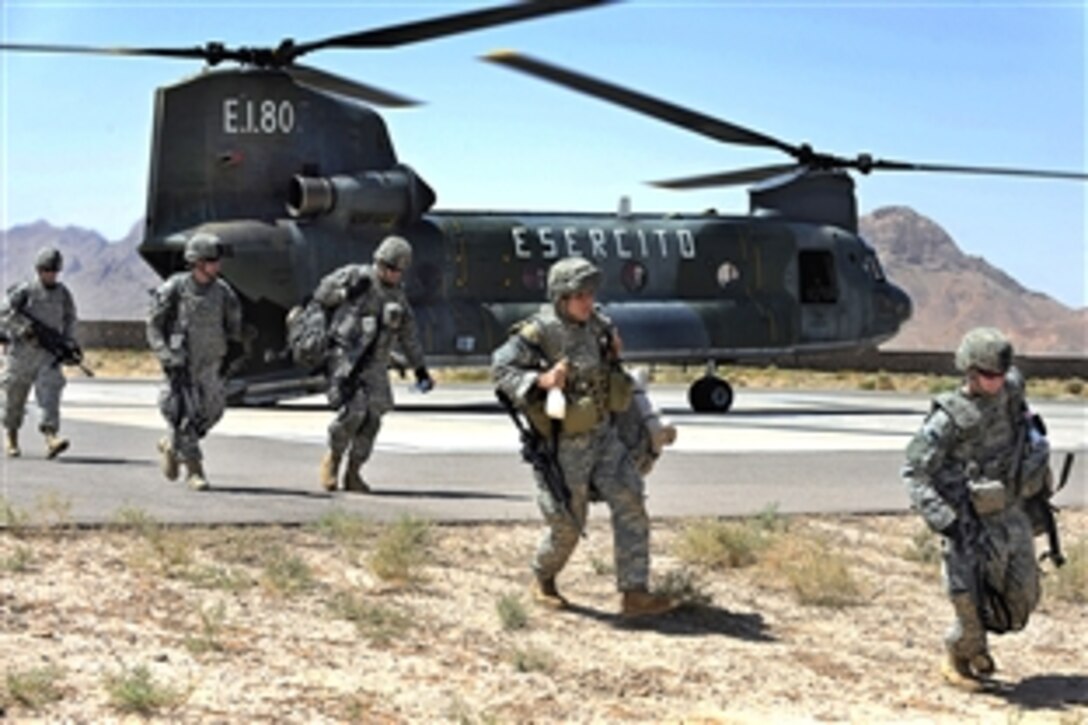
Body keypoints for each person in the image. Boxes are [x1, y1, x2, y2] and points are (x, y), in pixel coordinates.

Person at [491, 256, 677, 618]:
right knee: (568, 523)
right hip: (563, 445)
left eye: (591, 294)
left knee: (631, 501)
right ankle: (543, 577)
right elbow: (500, 367)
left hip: (605, 437)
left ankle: (634, 592)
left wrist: (613, 356)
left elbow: (612, 375)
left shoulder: (598, 325)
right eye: (580, 295)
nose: (588, 302)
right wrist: (540, 381)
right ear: (561, 297)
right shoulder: (538, 332)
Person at [902, 327, 1052, 691]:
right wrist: (946, 521)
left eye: (1000, 374)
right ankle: (960, 655)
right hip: (969, 523)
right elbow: (914, 473)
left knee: (1021, 603)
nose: (996, 382)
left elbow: (1027, 424)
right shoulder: (949, 419)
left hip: (1012, 513)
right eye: (988, 375)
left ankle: (978, 644)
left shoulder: (1012, 391)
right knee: (968, 601)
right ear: (969, 371)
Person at [313, 235, 434, 492]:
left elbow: (408, 334)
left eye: (396, 271)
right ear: (378, 261)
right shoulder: (356, 276)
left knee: (373, 419)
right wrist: (347, 292)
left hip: (377, 364)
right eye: (387, 267)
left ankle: (354, 472)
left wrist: (420, 369)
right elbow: (322, 294)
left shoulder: (398, 296)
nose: (390, 274)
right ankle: (332, 460)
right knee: (354, 412)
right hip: (346, 359)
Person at [147, 233, 243, 491]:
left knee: (213, 412)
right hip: (182, 365)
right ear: (198, 262)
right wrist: (167, 356)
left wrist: (232, 354)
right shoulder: (175, 289)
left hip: (212, 365)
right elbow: (154, 327)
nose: (218, 266)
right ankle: (194, 470)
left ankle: (172, 444)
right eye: (213, 261)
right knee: (183, 415)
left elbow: (234, 327)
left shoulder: (223, 292)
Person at [0, 247, 77, 459]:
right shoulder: (24, 291)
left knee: (50, 394)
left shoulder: (63, 294)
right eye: (46, 270)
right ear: (38, 270)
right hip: (21, 354)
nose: (50, 274)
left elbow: (70, 318)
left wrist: (68, 343)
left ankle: (51, 437)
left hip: (48, 355)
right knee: (14, 397)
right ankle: (11, 437)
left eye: (53, 271)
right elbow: (4, 314)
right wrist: (24, 330)